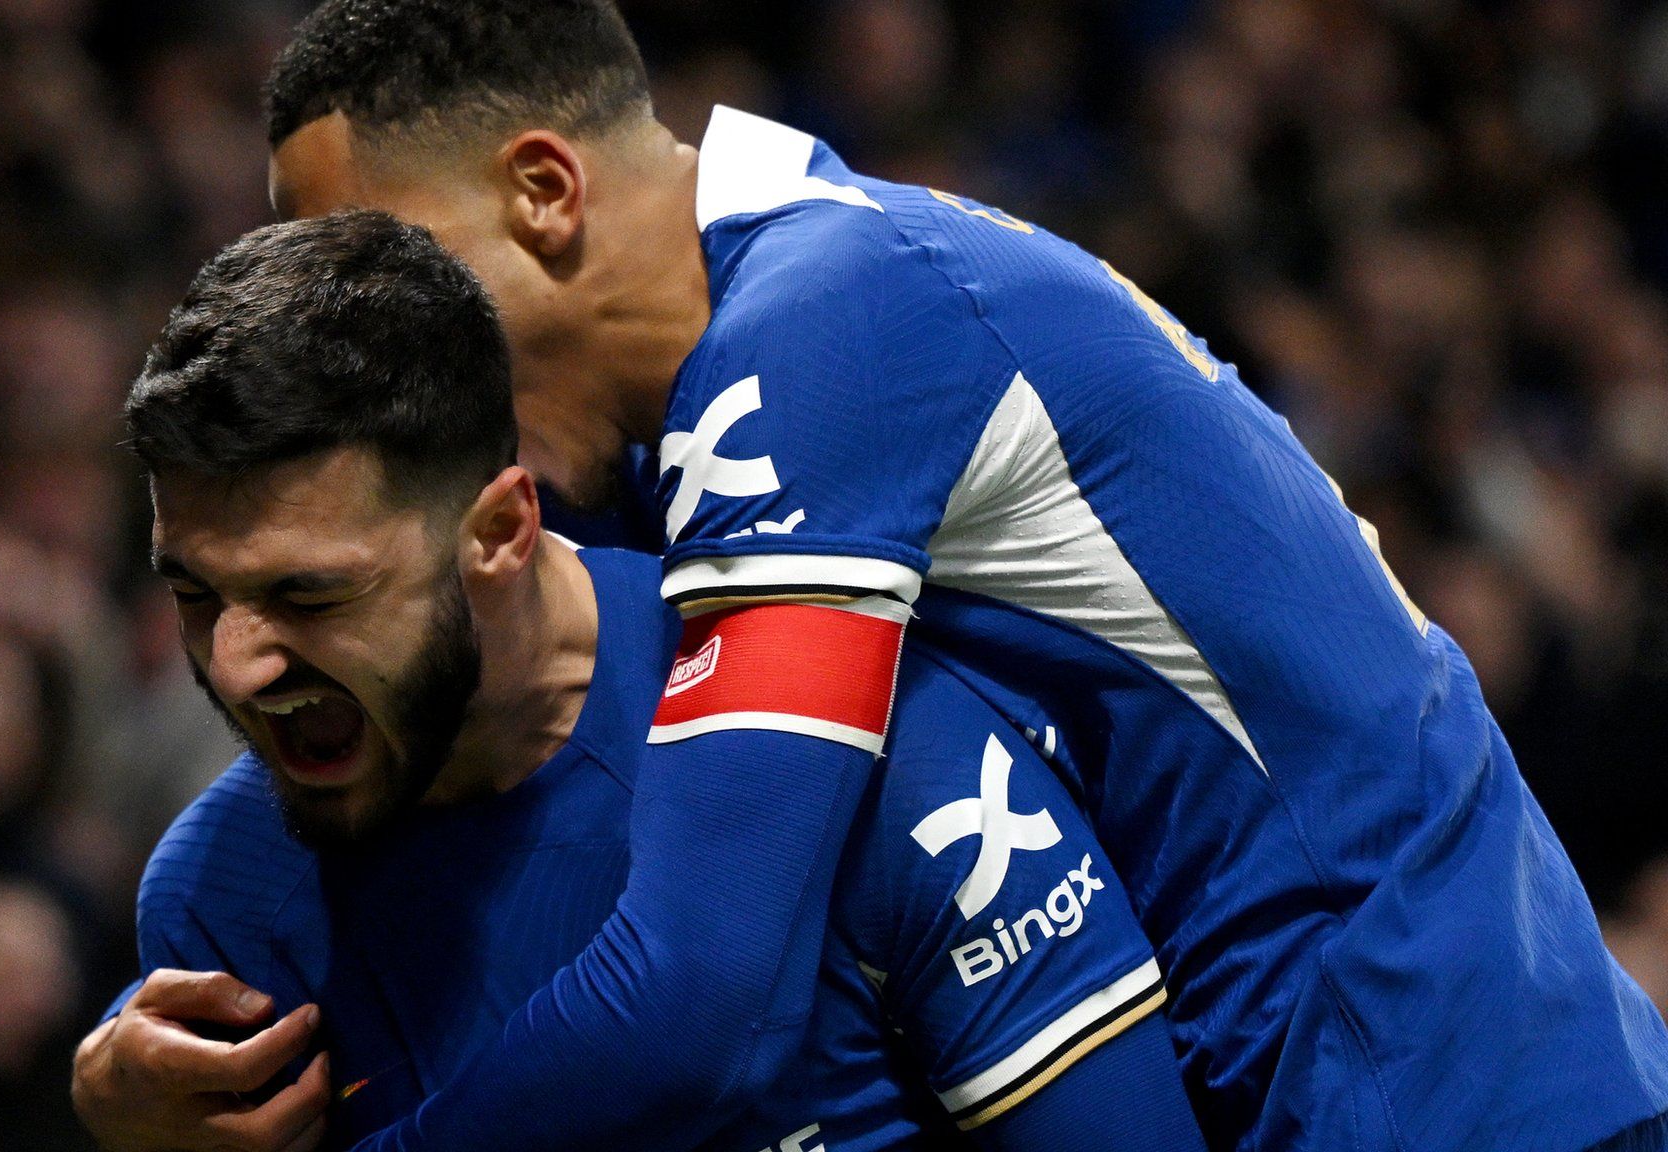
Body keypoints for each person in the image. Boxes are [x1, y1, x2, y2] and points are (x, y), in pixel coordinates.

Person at [247, 3, 1668, 1151]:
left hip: (1411, 1078)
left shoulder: (814, 342)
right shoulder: (800, 319)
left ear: (545, 192)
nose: (387, 373)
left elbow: (701, 986)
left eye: (394, 282)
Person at [71, 213, 1207, 1151]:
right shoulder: (221, 904)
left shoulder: (852, 747)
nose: (236, 665)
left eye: (311, 598)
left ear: (502, 531)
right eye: (195, 595)